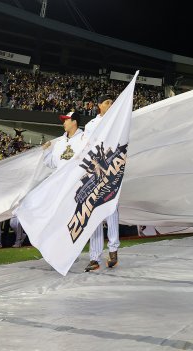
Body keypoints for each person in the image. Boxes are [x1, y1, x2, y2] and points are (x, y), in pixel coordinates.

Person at [82, 94, 120, 272]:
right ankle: (94, 257)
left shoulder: (118, 121)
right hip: (96, 169)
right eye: (107, 102)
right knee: (95, 212)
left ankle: (113, 250)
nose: (110, 105)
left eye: (112, 102)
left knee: (111, 208)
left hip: (112, 166)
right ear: (99, 105)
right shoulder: (91, 125)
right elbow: (86, 147)